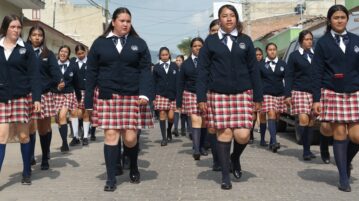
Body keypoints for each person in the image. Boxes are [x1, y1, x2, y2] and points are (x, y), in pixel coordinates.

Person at [85, 7, 154, 192]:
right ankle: (110, 178)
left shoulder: (138, 43)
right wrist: (88, 102)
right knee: (111, 135)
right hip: (107, 95)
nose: (125, 24)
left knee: (130, 138)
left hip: (132, 96)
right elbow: (91, 72)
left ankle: (133, 166)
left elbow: (145, 70)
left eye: (128, 21)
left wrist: (144, 93)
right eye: (122, 20)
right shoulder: (99, 43)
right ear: (113, 22)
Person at [197, 4, 262, 190]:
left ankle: (235, 157)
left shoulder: (245, 40)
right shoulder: (210, 42)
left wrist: (258, 96)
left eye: (232, 15)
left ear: (236, 19)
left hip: (243, 93)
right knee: (224, 133)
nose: (228, 18)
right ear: (219, 20)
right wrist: (201, 97)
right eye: (224, 16)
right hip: (218, 93)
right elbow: (202, 70)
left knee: (243, 135)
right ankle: (225, 175)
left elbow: (254, 70)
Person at [312, 4, 359, 192]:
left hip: (355, 92)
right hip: (332, 92)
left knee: (356, 136)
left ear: (347, 19)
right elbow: (316, 72)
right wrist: (316, 99)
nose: (339, 20)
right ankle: (342, 178)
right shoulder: (322, 43)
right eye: (336, 17)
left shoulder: (356, 40)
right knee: (339, 133)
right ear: (330, 21)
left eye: (342, 17)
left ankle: (345, 162)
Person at [0, 14, 41, 184]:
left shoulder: (26, 49)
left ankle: (26, 172)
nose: (16, 30)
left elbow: (34, 75)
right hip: (2, 97)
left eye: (18, 27)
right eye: (13, 27)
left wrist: (36, 98)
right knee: (1, 136)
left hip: (21, 98)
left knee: (24, 136)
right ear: (5, 28)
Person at [27, 25, 64, 170]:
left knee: (44, 128)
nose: (37, 37)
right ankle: (29, 156)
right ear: (29, 36)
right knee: (30, 127)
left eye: (40, 35)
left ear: (43, 38)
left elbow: (55, 71)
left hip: (45, 94)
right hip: (27, 94)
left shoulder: (48, 54)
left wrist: (58, 81)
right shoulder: (23, 51)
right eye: (34, 35)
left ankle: (44, 157)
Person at [284, 30, 317, 160]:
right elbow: (289, 76)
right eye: (306, 39)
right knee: (303, 119)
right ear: (300, 41)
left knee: (311, 122)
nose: (309, 41)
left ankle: (307, 148)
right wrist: (287, 94)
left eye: (310, 39)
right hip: (299, 91)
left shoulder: (317, 56)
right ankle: (306, 150)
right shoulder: (294, 56)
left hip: (314, 92)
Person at [177, 37, 207, 160]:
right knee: (195, 120)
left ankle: (202, 146)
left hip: (205, 94)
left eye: (200, 45)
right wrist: (178, 102)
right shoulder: (185, 64)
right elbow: (180, 83)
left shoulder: (208, 62)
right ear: (191, 48)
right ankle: (196, 148)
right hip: (190, 93)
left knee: (204, 121)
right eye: (195, 46)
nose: (197, 48)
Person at [259, 43, 287, 152]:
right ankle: (275, 141)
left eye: (274, 49)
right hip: (266, 93)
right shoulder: (261, 64)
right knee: (271, 113)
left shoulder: (282, 64)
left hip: (280, 93)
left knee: (276, 116)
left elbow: (288, 78)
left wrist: (288, 94)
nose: (272, 51)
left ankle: (271, 140)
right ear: (267, 51)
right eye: (270, 49)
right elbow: (257, 80)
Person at [52, 45, 78, 153]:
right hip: (55, 94)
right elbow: (48, 79)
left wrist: (79, 97)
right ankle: (64, 140)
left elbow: (76, 82)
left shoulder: (73, 66)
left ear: (68, 54)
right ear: (58, 52)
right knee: (58, 119)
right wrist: (56, 86)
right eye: (61, 51)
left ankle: (65, 143)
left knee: (63, 115)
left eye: (66, 52)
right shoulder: (52, 65)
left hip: (68, 93)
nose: (63, 53)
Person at [153, 47, 177, 146]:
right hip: (160, 94)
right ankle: (164, 138)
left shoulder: (174, 65)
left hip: (173, 94)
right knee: (162, 115)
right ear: (160, 56)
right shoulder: (156, 67)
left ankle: (169, 130)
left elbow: (178, 80)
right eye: (162, 55)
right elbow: (153, 82)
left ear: (169, 55)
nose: (164, 56)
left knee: (171, 117)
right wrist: (153, 97)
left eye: (166, 54)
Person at [72, 44, 91, 145]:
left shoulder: (90, 62)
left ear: (85, 52)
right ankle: (75, 136)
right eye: (78, 54)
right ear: (76, 54)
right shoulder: (73, 62)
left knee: (85, 113)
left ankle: (85, 137)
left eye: (82, 53)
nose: (80, 55)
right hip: (75, 91)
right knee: (74, 113)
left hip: (86, 91)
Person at [249, 47, 264, 144]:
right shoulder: (250, 65)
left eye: (260, 55)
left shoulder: (264, 64)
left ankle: (262, 137)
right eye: (256, 55)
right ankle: (250, 133)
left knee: (262, 113)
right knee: (253, 113)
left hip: (264, 90)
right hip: (252, 90)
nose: (258, 57)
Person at [172, 55, 185, 137]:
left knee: (185, 112)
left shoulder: (185, 69)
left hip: (185, 92)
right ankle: (176, 128)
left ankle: (184, 129)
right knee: (177, 110)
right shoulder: (174, 70)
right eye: (177, 60)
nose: (178, 62)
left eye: (179, 60)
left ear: (183, 61)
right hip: (176, 92)